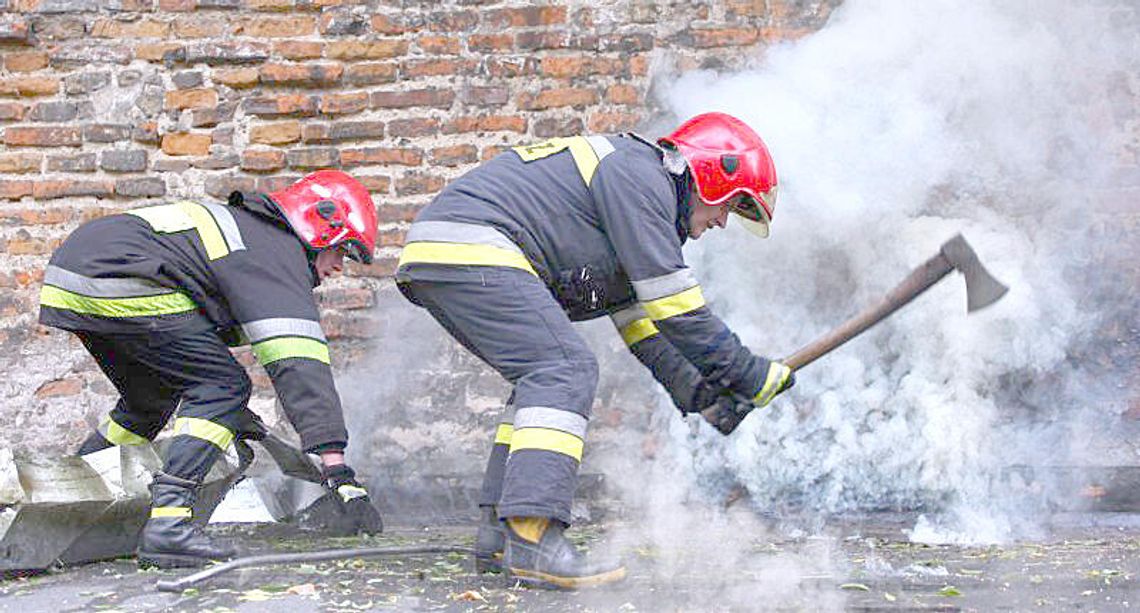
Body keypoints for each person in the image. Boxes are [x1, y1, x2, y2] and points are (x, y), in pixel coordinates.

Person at [394, 112, 796, 589]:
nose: (724, 222)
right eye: (729, 205)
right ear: (709, 175)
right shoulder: (641, 177)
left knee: (540, 376)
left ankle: (500, 537)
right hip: (474, 243)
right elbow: (678, 309)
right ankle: (534, 537)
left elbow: (643, 325)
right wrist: (747, 374)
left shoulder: (638, 201)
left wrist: (700, 394)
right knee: (563, 368)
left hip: (447, 249)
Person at [39, 170, 385, 569]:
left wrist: (236, 420)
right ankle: (170, 525)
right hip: (121, 277)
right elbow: (300, 368)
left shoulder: (252, 236)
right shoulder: (275, 254)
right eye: (342, 251)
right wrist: (338, 471)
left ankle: (72, 498)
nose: (340, 266)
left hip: (76, 276)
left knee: (149, 401)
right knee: (222, 386)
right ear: (320, 226)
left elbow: (204, 332)